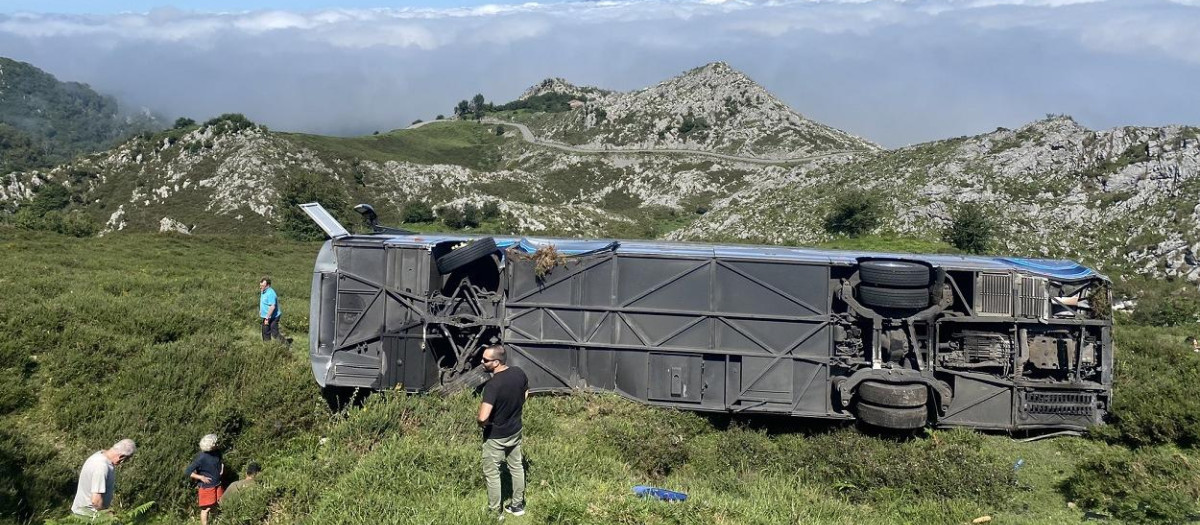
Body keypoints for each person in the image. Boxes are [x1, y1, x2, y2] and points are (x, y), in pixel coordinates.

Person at [476, 344, 529, 518]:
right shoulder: (518, 373)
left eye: (486, 360)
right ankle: (517, 506)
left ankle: (494, 513)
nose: (482, 362)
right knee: (516, 467)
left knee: (492, 473)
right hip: (515, 430)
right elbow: (526, 393)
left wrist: (482, 423)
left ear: (496, 362)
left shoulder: (492, 385)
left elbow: (483, 417)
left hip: (496, 436)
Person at [72, 439, 136, 517]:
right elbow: (96, 501)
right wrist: (108, 515)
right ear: (121, 457)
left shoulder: (99, 455)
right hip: (89, 516)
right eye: (127, 459)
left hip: (81, 512)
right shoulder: (102, 467)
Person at [185, 434, 225, 525]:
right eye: (216, 443)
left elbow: (221, 461)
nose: (218, 444)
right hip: (207, 487)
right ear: (211, 445)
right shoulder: (201, 457)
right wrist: (200, 477)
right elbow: (188, 471)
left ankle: (215, 521)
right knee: (206, 509)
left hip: (218, 484)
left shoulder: (217, 451)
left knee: (217, 505)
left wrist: (222, 468)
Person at [258, 277, 284, 343]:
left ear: (268, 285)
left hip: (273, 317)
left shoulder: (271, 293)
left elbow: (272, 307)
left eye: (262, 286)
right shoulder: (263, 291)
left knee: (274, 333)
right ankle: (267, 347)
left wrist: (267, 318)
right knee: (265, 331)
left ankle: (285, 345)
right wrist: (261, 310)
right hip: (267, 315)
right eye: (260, 285)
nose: (261, 287)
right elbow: (262, 301)